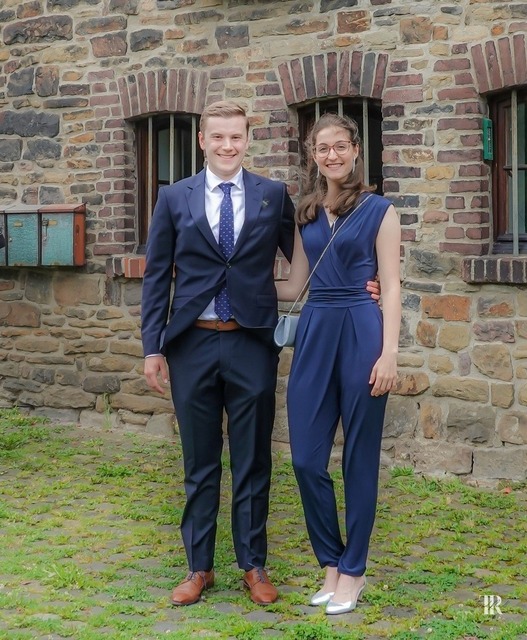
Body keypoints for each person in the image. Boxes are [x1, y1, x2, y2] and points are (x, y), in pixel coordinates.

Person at [141, 100, 380, 607]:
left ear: (248, 141)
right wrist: (152, 348)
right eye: (218, 137)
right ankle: (199, 567)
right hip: (191, 344)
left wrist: (364, 283)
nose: (227, 145)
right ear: (202, 141)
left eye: (236, 137)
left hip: (252, 342)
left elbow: (313, 259)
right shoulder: (174, 197)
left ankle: (253, 564)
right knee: (199, 460)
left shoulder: (272, 196)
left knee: (253, 460)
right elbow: (157, 276)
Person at [276, 112, 401, 615]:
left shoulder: (379, 210)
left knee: (358, 459)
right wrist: (230, 280)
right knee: (306, 459)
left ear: (355, 150)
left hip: (362, 330)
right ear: (313, 154)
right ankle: (330, 561)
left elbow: (391, 285)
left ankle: (353, 570)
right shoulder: (306, 212)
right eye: (322, 147)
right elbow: (294, 284)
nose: (332, 155)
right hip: (315, 329)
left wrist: (390, 353)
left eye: (340, 146)